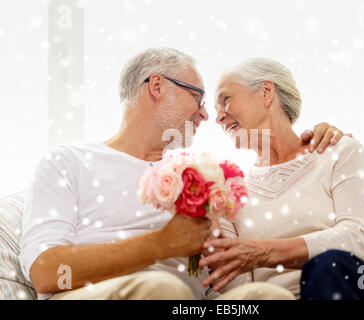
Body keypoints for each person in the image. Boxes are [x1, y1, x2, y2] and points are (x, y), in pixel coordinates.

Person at [19, 48, 343, 300]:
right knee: (161, 289)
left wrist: (318, 140)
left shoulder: (201, 176)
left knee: (266, 297)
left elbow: (221, 283)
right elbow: (46, 271)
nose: (205, 113)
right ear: (157, 86)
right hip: (107, 293)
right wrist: (161, 244)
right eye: (197, 97)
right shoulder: (68, 162)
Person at [200, 57, 364, 300]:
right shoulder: (231, 191)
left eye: (226, 99)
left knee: (328, 265)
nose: (219, 117)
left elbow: (359, 239)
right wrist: (212, 226)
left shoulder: (337, 151)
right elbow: (239, 289)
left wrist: (263, 252)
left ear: (266, 92)